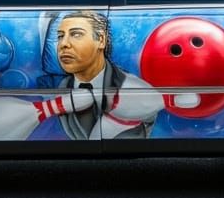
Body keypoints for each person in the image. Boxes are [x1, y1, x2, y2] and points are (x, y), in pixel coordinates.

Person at [53, 10, 165, 140]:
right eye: (60, 36)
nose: (64, 44)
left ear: (101, 40)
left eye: (76, 34)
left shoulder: (131, 86)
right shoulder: (62, 89)